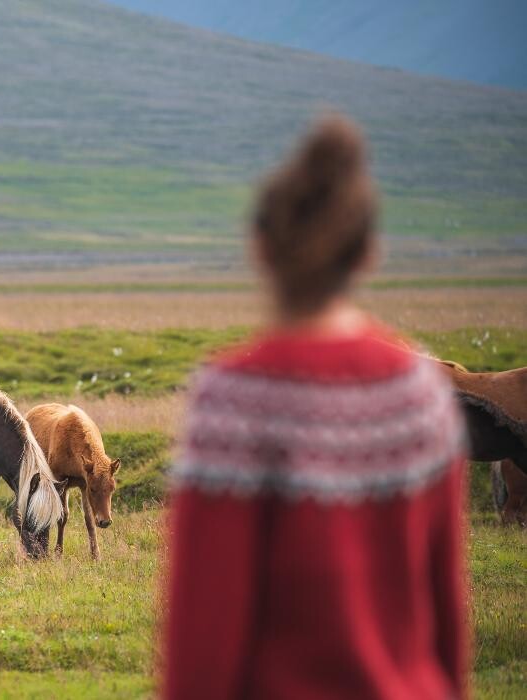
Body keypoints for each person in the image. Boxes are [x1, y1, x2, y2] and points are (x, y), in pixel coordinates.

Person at [159, 115, 469, 699]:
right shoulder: (420, 391)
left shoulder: (233, 398)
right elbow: (446, 610)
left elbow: (206, 626)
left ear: (260, 249)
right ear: (368, 254)